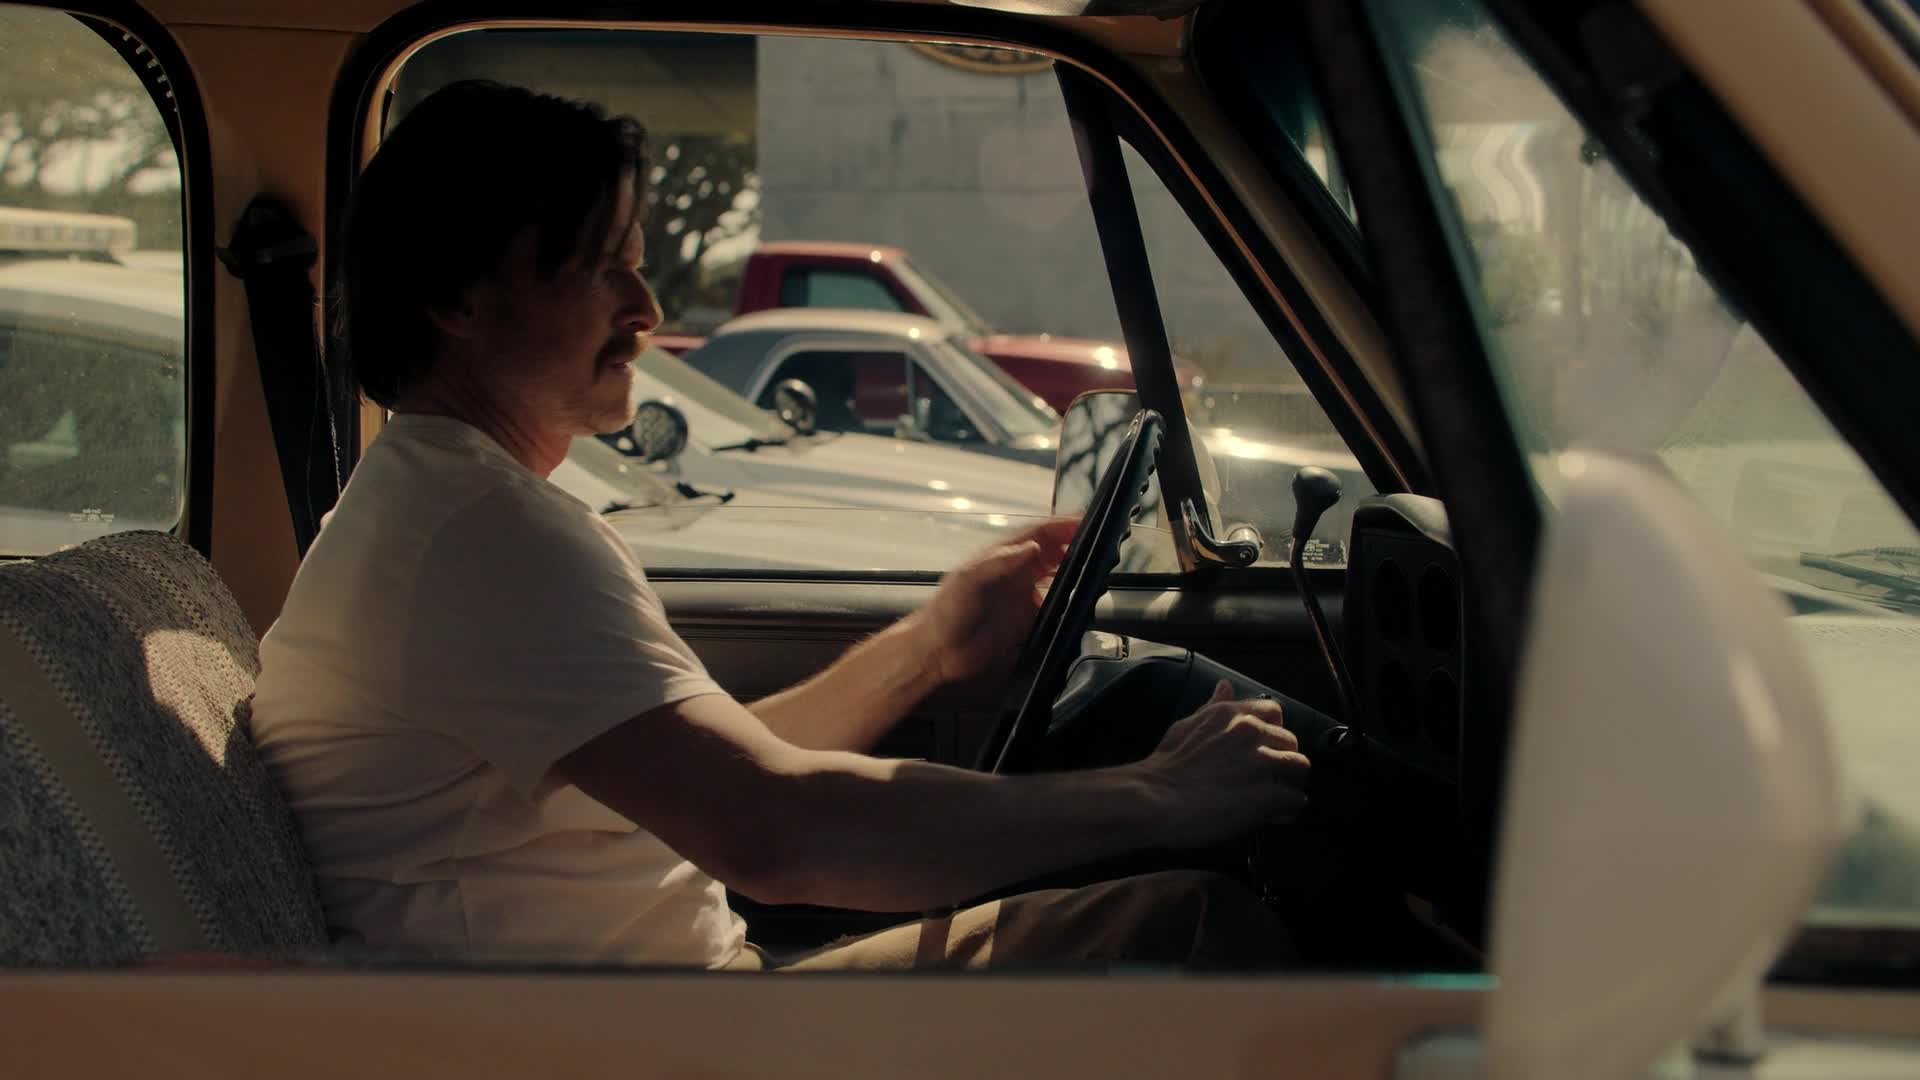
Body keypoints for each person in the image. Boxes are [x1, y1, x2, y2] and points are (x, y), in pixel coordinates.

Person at [249, 80, 1310, 971]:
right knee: (1194, 928)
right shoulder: (478, 538)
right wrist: (1160, 795)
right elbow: (774, 834)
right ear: (457, 298)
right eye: (599, 264)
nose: (646, 308)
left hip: (683, 1015)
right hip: (659, 1048)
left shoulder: (441, 513)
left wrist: (930, 646)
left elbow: (731, 772)